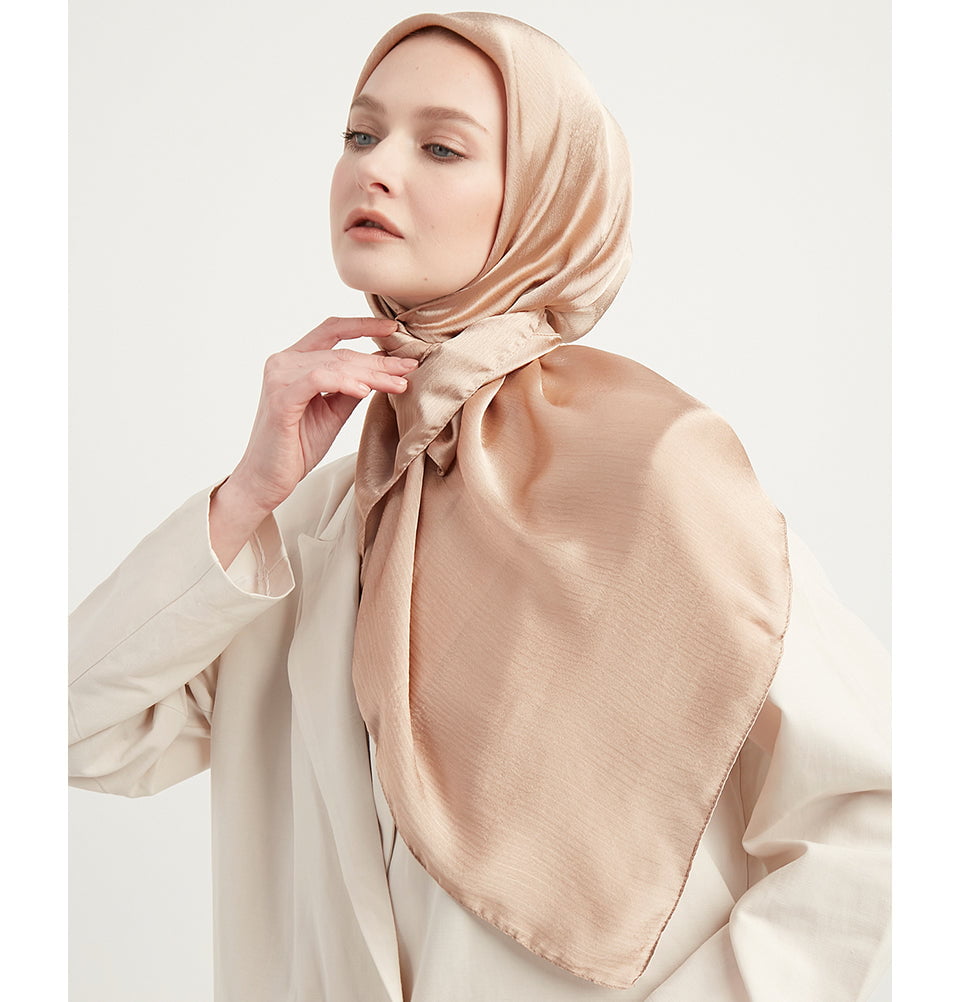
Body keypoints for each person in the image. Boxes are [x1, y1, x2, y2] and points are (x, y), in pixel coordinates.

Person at [69, 11, 890, 1001]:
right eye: (360, 134)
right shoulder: (309, 526)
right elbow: (74, 730)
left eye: (441, 147)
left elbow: (882, 818)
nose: (375, 170)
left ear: (546, 198)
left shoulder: (652, 468)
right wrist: (247, 496)